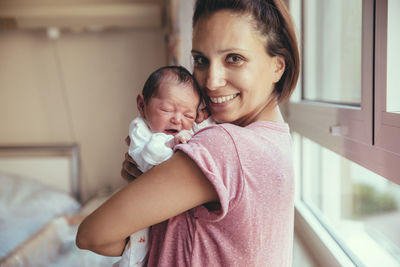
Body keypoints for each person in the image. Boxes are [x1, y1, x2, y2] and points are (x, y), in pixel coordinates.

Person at [76, 0, 300, 266]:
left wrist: (143, 194)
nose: (211, 81)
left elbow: (92, 235)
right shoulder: (274, 140)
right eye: (201, 60)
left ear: (278, 66)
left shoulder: (223, 145)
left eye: (234, 58)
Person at [119, 65, 214, 267]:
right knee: (136, 254)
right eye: (167, 109)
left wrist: (204, 120)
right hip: (144, 210)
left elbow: (203, 132)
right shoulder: (140, 129)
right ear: (142, 105)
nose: (177, 119)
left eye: (188, 115)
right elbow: (150, 156)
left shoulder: (184, 130)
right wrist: (174, 143)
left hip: (170, 214)